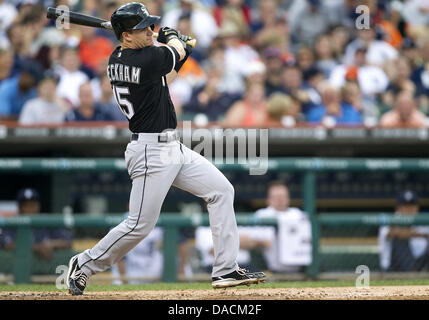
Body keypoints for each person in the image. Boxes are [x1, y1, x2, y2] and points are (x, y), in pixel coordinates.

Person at [66, 2, 266, 296]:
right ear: (126, 36)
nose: (149, 31)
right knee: (139, 226)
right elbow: (168, 54)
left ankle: (225, 270)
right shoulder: (143, 57)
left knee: (221, 191)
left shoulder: (122, 58)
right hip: (150, 152)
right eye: (142, 28)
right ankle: (83, 264)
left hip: (172, 146)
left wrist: (177, 51)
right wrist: (175, 40)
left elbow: (163, 77)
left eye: (150, 26)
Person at [245, 181, 312, 273]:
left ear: (288, 198)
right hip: (273, 269)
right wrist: (261, 242)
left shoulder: (298, 213)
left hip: (302, 267)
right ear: (268, 199)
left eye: (283, 196)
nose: (280, 200)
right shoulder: (262, 214)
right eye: (276, 197)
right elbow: (244, 239)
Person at [0, 188, 73, 260]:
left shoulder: (46, 221)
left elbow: (68, 242)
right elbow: (8, 245)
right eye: (26, 206)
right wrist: (38, 248)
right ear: (20, 208)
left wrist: (51, 244)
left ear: (38, 205)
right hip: (14, 269)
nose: (30, 209)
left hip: (46, 270)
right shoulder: (12, 222)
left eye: (33, 205)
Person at [379, 190, 429, 272]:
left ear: (417, 208)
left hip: (419, 263)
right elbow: (393, 233)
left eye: (412, 206)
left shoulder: (422, 221)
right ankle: (412, 273)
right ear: (398, 208)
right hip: (393, 268)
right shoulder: (391, 220)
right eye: (405, 206)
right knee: (399, 240)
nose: (409, 209)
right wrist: (423, 235)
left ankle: (415, 272)